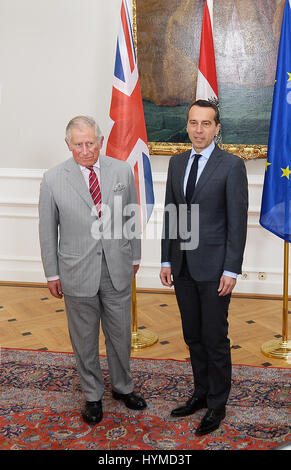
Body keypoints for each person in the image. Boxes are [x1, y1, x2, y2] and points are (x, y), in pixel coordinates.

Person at [39, 116, 146, 425]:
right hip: (76, 272)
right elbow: (48, 230)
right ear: (69, 145)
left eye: (90, 143)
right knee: (84, 339)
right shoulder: (53, 179)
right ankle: (92, 396)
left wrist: (135, 255)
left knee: (120, 335)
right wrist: (52, 273)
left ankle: (123, 388)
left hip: (117, 267)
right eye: (79, 144)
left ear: (100, 141)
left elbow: (130, 218)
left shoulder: (122, 170)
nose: (85, 150)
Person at [160, 100, 248, 436]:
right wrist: (167, 259)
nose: (198, 130)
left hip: (214, 269)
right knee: (192, 336)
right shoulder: (177, 163)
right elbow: (172, 213)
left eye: (206, 124)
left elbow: (236, 224)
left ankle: (217, 404)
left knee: (214, 338)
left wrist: (231, 269)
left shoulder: (231, 166)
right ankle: (200, 393)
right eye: (193, 123)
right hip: (181, 266)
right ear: (187, 125)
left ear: (217, 128)